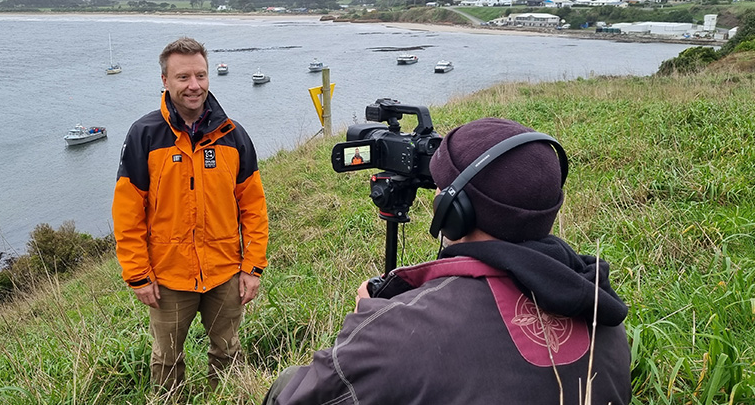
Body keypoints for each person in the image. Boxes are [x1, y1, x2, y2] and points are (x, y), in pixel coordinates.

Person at [264, 117, 631, 404]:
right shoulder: (603, 313)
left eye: (441, 188)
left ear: (455, 210)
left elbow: (294, 398)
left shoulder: (400, 333)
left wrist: (370, 326)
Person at [112, 37, 269, 390]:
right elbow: (127, 213)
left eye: (200, 75)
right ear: (165, 81)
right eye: (183, 77)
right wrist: (138, 275)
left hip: (225, 273)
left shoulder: (233, 135)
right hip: (168, 278)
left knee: (227, 351)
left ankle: (227, 398)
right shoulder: (144, 135)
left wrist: (253, 267)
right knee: (166, 360)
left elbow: (254, 208)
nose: (194, 86)